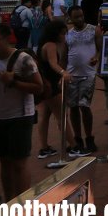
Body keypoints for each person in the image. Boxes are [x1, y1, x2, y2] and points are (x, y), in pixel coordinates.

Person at [0, 24, 43, 200]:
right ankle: (9, 201)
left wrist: (13, 82)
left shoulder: (23, 59)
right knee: (4, 161)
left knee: (19, 163)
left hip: (21, 116)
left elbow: (38, 87)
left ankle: (22, 202)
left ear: (6, 39)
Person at [64, 5, 102, 156]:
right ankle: (78, 138)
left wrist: (96, 57)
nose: (80, 19)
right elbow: (64, 53)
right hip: (72, 74)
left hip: (88, 74)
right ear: (70, 18)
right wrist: (62, 72)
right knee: (73, 106)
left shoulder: (94, 30)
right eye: (76, 17)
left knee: (84, 105)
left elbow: (100, 48)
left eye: (81, 16)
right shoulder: (68, 33)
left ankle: (89, 137)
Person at [36, 20, 69, 159]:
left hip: (45, 83)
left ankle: (44, 147)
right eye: (63, 33)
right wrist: (64, 73)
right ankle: (73, 145)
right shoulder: (50, 45)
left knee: (44, 116)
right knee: (61, 116)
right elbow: (53, 63)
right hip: (51, 84)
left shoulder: (45, 44)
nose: (64, 36)